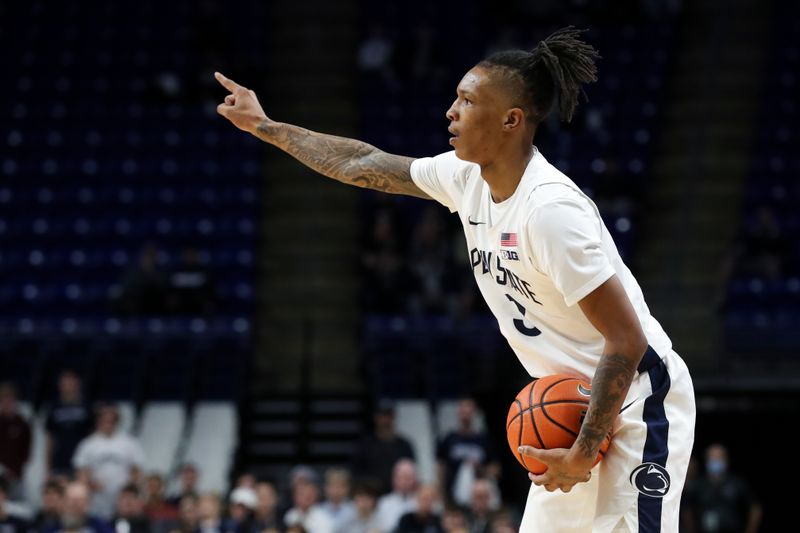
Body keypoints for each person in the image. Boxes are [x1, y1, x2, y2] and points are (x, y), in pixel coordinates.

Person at [215, 24, 696, 532]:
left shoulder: (550, 212)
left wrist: (583, 451)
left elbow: (626, 339)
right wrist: (265, 126)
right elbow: (363, 163)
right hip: (573, 405)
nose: (450, 111)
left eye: (466, 101)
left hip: (639, 399)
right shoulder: (465, 178)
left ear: (512, 119)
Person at [73, 405, 145, 519]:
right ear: (98, 421)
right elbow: (81, 473)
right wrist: (90, 484)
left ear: (117, 421)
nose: (108, 423)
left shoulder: (130, 443)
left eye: (111, 420)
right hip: (96, 500)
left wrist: (130, 490)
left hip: (122, 501)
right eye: (105, 420)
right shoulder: (87, 444)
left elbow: (137, 471)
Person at [681, 444, 762, 533]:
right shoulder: (698, 485)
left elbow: (755, 508)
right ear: (706, 461)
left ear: (726, 460)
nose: (715, 461)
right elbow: (687, 510)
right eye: (712, 458)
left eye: (718, 458)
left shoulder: (737, 483)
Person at [436, 398, 499, 505]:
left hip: (478, 493)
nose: (466, 415)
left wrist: (480, 468)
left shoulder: (483, 440)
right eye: (463, 411)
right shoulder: (449, 439)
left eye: (468, 411)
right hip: (453, 494)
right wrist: (440, 493)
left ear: (474, 412)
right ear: (458, 412)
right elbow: (440, 467)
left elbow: (496, 470)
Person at [350, 400, 415, 494]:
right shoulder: (365, 445)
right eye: (382, 416)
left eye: (389, 416)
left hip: (399, 497)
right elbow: (357, 474)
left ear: (394, 418)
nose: (385, 420)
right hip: (372, 497)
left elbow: (412, 473)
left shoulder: (405, 445)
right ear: (376, 418)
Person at [45, 370, 93, 476]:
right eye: (64, 382)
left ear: (77, 383)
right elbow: (50, 439)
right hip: (59, 459)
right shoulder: (54, 407)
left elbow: (92, 435)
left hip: (81, 460)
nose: (67, 385)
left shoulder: (86, 407)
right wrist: (48, 467)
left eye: (70, 382)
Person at [43, 481, 114, 533]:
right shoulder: (51, 528)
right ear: (63, 502)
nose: (74, 504)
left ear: (88, 503)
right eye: (70, 499)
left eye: (79, 500)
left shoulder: (100, 527)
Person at [0, 383, 31, 499]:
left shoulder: (22, 424)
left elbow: (26, 452)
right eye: (3, 399)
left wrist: (14, 471)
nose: (7, 402)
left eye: (10, 399)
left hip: (16, 474)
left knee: (15, 503)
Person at [374, 459, 418, 533]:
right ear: (394, 479)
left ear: (414, 480)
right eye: (401, 477)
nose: (404, 482)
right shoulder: (384, 503)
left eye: (408, 478)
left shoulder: (421, 502)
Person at [319, 468, 356, 533]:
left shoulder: (355, 509)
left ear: (347, 488)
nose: (336, 490)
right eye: (333, 486)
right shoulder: (319, 509)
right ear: (326, 488)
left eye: (339, 486)